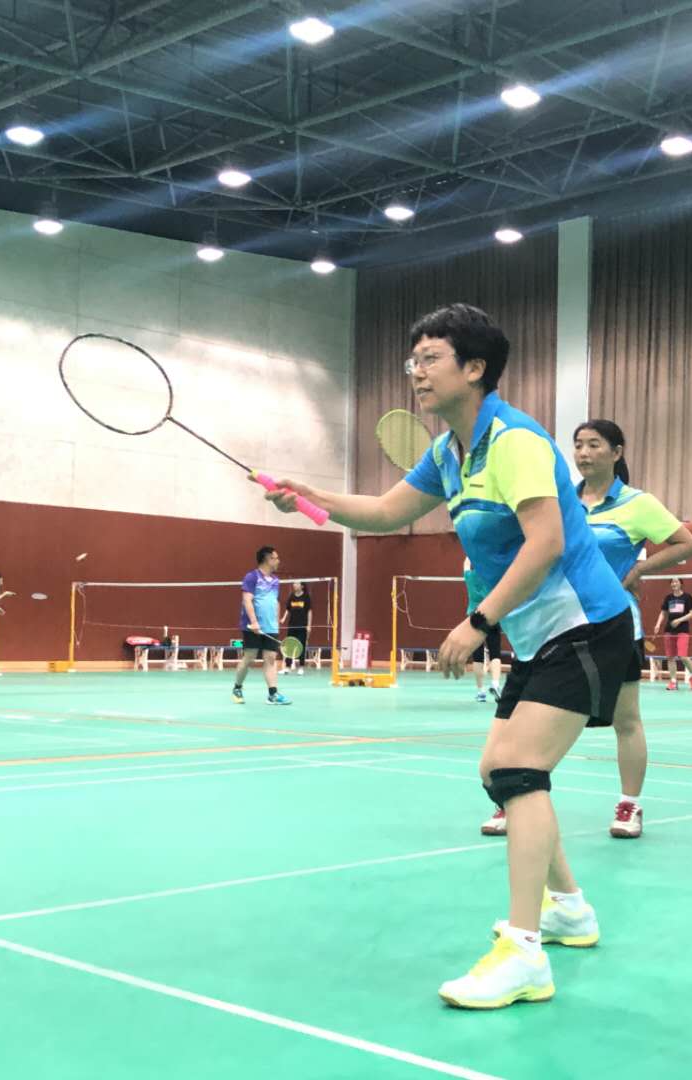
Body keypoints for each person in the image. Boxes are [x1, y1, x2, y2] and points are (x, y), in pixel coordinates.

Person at [264, 303, 633, 1009]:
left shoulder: (515, 442)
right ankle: (569, 909)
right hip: (538, 633)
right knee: (498, 771)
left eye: (431, 358)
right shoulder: (449, 452)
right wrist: (312, 497)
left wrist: (478, 621)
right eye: (414, 360)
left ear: (475, 368)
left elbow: (547, 542)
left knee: (519, 770)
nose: (417, 372)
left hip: (585, 622)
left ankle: (524, 953)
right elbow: (385, 512)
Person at [484, 420, 692, 841]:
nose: (583, 453)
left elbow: (687, 544)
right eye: (578, 445)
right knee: (527, 716)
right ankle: (513, 798)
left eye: (594, 445)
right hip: (555, 626)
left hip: (613, 627)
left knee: (626, 719)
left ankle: (630, 804)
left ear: (617, 452)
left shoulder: (638, 503)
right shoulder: (562, 501)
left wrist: (638, 569)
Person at [233, 547, 292, 705]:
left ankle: (273, 694)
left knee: (270, 658)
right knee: (249, 657)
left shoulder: (275, 580)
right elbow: (247, 600)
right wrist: (254, 622)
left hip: (270, 627)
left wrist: (276, 622)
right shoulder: (252, 577)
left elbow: (275, 601)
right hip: (252, 626)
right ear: (268, 559)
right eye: (276, 558)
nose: (278, 561)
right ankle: (237, 688)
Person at [464, 557, 503, 704]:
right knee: (495, 653)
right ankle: (495, 684)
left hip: (474, 617)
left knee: (478, 657)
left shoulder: (469, 577)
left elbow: (466, 563)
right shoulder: (490, 578)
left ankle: (480, 691)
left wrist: (470, 554)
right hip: (491, 615)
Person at [653, 578, 692, 690]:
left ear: (681, 584)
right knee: (670, 657)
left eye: (676, 581)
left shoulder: (687, 597)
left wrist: (679, 620)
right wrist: (658, 624)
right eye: (672, 582)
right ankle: (673, 681)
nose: (674, 584)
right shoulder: (668, 598)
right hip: (669, 630)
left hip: (683, 630)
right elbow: (663, 613)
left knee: (683, 656)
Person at [282, 580, 312, 676]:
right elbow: (288, 609)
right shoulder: (291, 596)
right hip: (292, 625)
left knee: (301, 646)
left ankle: (301, 667)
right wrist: (283, 618)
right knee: (289, 645)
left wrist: (309, 625)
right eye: (294, 583)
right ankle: (287, 667)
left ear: (302, 586)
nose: (294, 585)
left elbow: (309, 611)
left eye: (296, 583)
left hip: (302, 625)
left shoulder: (306, 597)